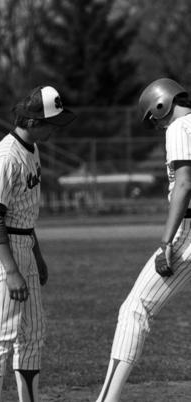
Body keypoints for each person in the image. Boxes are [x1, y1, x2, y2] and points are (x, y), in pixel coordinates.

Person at [0, 85, 75, 402]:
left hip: (23, 243)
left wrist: (37, 256)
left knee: (32, 334)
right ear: (32, 122)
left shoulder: (32, 149)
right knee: (0, 336)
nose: (54, 129)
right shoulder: (5, 156)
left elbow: (25, 214)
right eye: (50, 123)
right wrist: (11, 271)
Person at [94, 78, 191, 402]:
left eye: (156, 118)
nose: (159, 125)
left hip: (188, 235)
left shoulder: (180, 128)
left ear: (161, 104)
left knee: (136, 308)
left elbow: (184, 185)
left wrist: (166, 241)